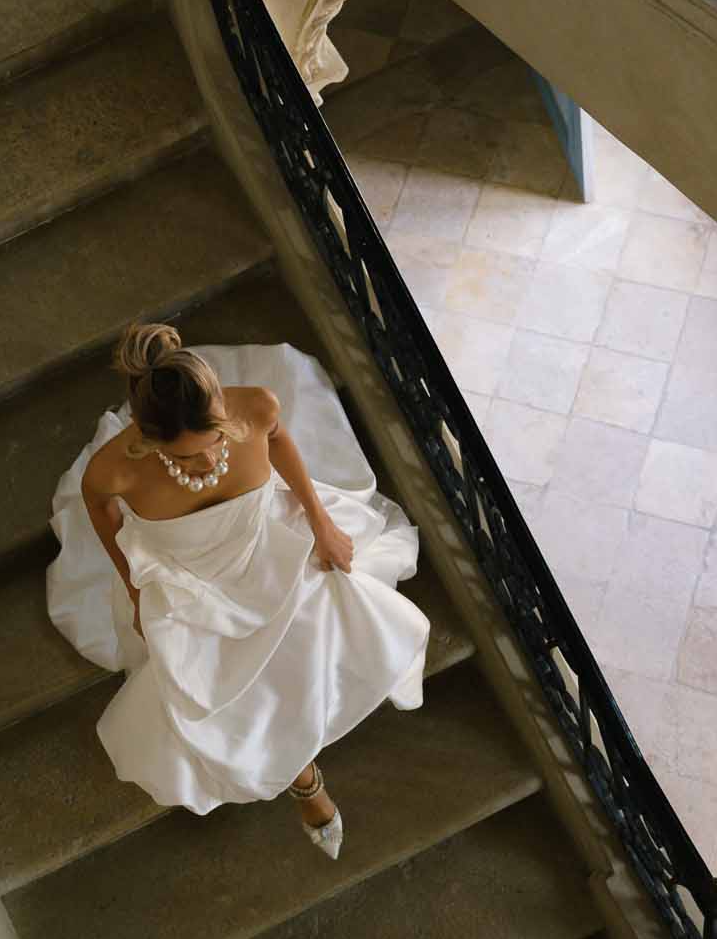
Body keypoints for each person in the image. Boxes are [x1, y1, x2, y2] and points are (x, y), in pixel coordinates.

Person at [44, 325, 431, 858]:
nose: (206, 465)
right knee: (220, 686)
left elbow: (280, 442)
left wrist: (319, 522)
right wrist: (135, 591)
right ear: (148, 441)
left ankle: (314, 720)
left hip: (268, 541)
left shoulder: (255, 408)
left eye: (215, 444)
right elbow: (104, 519)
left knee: (341, 605)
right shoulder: (111, 473)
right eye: (184, 459)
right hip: (191, 580)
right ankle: (305, 781)